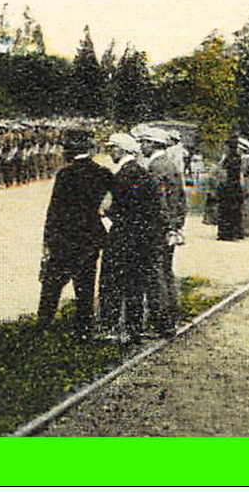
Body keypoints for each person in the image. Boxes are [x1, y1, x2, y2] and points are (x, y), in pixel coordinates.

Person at [36, 128, 114, 336]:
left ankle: (44, 324)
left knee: (52, 284)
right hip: (91, 236)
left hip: (65, 237)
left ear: (70, 150)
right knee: (86, 285)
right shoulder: (103, 173)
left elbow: (55, 211)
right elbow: (114, 202)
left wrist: (48, 240)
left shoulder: (65, 174)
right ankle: (83, 327)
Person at [98, 132, 166, 342]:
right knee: (136, 284)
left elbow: (113, 209)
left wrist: (107, 214)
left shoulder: (120, 177)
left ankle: (110, 327)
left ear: (120, 150)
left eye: (111, 148)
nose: (110, 152)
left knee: (112, 282)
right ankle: (134, 328)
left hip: (122, 235)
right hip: (143, 237)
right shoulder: (145, 175)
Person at [139, 126, 186, 334]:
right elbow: (181, 201)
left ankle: (162, 321)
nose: (141, 147)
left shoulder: (156, 168)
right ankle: (172, 314)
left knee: (155, 273)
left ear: (152, 144)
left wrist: (164, 226)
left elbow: (159, 203)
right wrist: (176, 226)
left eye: (144, 143)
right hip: (170, 227)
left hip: (157, 229)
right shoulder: (171, 165)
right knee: (166, 271)